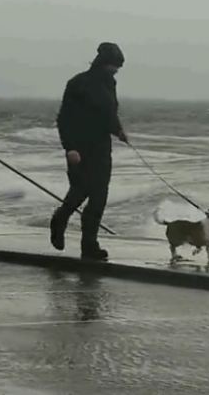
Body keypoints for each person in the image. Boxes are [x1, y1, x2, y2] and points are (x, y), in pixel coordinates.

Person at [50, 42, 128, 260]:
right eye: (114, 66)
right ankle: (60, 219)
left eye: (118, 67)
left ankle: (89, 246)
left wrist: (118, 130)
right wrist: (70, 147)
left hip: (102, 147)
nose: (116, 71)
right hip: (80, 147)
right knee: (80, 191)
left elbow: (109, 113)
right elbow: (64, 118)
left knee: (99, 196)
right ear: (103, 63)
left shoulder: (109, 84)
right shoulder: (78, 83)